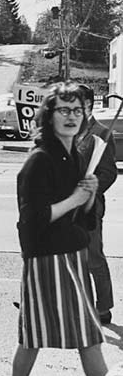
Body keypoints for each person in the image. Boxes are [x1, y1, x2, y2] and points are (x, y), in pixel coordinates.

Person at [0, 82, 108, 376]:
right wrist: (76, 200)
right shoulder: (39, 160)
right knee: (87, 336)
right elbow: (32, 219)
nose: (71, 116)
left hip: (69, 255)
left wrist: (88, 196)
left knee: (33, 336)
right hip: (50, 259)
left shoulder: (74, 154)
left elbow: (82, 216)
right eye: (63, 110)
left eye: (77, 110)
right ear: (48, 115)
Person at [77, 84, 117, 325]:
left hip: (90, 206)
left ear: (89, 105)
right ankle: (83, 305)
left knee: (93, 258)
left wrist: (90, 189)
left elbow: (109, 173)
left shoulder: (102, 133)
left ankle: (103, 308)